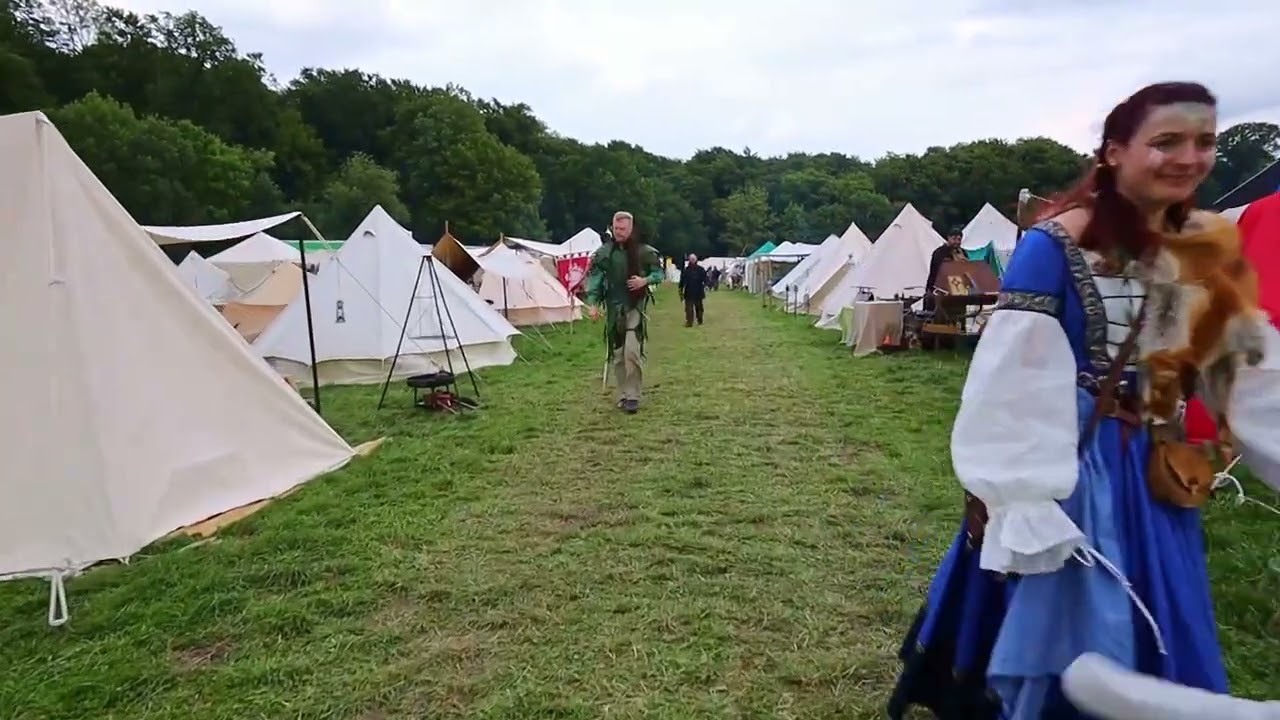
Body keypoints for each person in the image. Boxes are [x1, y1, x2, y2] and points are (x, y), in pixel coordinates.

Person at [886, 82, 1280, 719]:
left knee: (1157, 627)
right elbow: (1011, 384)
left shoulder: (1206, 251)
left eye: (1205, 142)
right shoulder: (1054, 247)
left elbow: (1247, 367)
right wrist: (1018, 495)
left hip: (1158, 478)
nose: (1190, 157)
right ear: (1115, 152)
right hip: (1070, 473)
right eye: (1167, 142)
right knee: (1076, 639)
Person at [584, 211, 665, 414]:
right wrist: (592, 304)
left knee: (631, 352)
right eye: (616, 228)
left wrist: (644, 280)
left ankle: (634, 396)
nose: (618, 232)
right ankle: (623, 394)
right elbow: (596, 279)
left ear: (631, 229)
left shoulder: (643, 252)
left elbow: (658, 273)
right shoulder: (605, 253)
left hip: (634, 306)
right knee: (619, 355)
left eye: (623, 229)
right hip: (613, 309)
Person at [924, 228, 966, 309]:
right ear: (948, 238)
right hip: (938, 290)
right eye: (954, 239)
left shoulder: (963, 253)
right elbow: (936, 271)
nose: (956, 242)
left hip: (957, 289)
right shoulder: (939, 252)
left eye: (959, 239)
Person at [678, 253, 708, 326]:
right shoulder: (686, 270)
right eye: (691, 259)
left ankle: (700, 320)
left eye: (694, 259)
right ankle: (689, 322)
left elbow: (705, 278)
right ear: (689, 260)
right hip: (689, 291)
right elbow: (682, 280)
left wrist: (706, 285)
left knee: (699, 308)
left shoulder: (701, 269)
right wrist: (681, 289)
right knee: (689, 308)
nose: (693, 260)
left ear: (696, 260)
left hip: (698, 291)